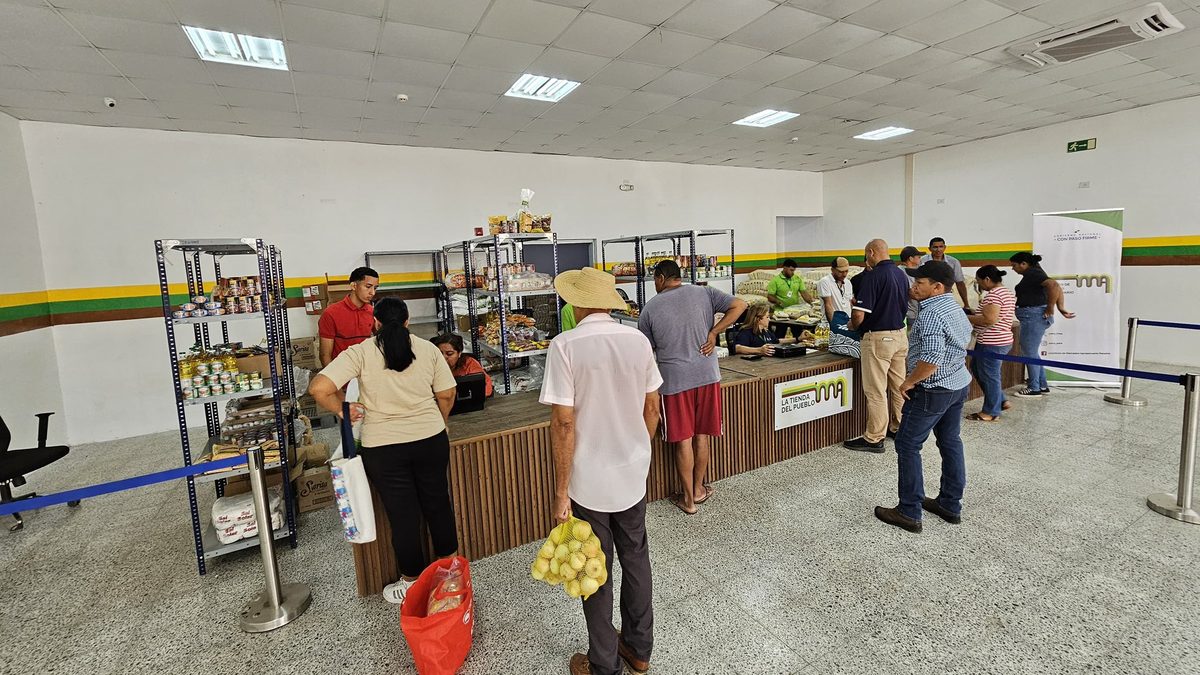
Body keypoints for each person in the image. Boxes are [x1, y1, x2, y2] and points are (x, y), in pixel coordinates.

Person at [540, 267, 662, 675]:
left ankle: (603, 664)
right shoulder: (638, 341)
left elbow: (564, 423)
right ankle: (639, 649)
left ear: (577, 302)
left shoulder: (566, 345)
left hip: (588, 478)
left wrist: (560, 492)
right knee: (636, 557)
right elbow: (652, 409)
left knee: (594, 567)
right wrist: (635, 450)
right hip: (631, 474)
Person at [308, 297, 458, 604]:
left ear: (374, 322)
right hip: (429, 440)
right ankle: (452, 576)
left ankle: (411, 583)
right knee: (438, 503)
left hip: (384, 448)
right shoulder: (428, 349)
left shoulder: (361, 352)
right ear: (407, 321)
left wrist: (342, 410)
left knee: (402, 515)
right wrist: (438, 423)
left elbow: (319, 389)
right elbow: (447, 394)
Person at [638, 260, 746, 515]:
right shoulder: (704, 292)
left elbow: (644, 352)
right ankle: (698, 489)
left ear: (662, 278)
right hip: (707, 376)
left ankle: (687, 501)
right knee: (702, 435)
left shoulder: (650, 309)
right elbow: (740, 305)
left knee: (683, 440)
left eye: (655, 280)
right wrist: (714, 332)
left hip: (674, 381)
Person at [874, 260, 974, 534]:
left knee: (907, 445)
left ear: (937, 287)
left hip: (933, 390)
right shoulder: (954, 308)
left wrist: (908, 382)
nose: (914, 287)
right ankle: (950, 504)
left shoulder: (931, 315)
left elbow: (930, 359)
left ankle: (909, 511)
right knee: (950, 441)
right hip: (957, 384)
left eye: (920, 283)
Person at [845, 239, 910, 453]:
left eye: (867, 255)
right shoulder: (901, 274)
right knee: (899, 387)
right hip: (900, 336)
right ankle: (898, 428)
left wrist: (852, 325)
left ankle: (874, 438)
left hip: (879, 339)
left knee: (875, 390)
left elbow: (859, 314)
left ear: (871, 252)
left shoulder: (873, 277)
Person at [1009, 252, 1076, 398]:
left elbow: (1053, 285)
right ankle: (1042, 384)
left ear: (1024, 264)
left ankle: (1034, 388)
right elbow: (1055, 287)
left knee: (1028, 353)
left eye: (1014, 265)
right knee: (1032, 352)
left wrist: (1051, 307)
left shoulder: (1033, 273)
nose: (1013, 269)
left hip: (1032, 316)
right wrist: (1060, 307)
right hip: (1033, 316)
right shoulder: (1036, 273)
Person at [966, 266, 1016, 421]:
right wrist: (975, 313)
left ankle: (991, 412)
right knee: (978, 369)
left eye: (979, 281)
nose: (978, 284)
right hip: (999, 339)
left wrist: (964, 318)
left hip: (992, 341)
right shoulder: (1005, 292)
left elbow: (990, 319)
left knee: (989, 375)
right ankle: (1001, 400)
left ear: (987, 279)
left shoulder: (994, 295)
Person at [318, 266, 379, 367]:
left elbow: (382, 340)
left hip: (366, 372)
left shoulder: (373, 312)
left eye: (375, 288)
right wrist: (334, 380)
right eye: (368, 286)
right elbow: (325, 355)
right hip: (342, 374)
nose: (372, 292)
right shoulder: (330, 313)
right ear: (353, 286)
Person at [430, 333, 493, 398]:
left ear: (459, 353)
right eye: (440, 354)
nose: (443, 357)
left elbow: (486, 385)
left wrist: (478, 397)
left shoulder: (469, 363)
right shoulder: (430, 365)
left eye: (449, 354)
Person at [766, 258, 814, 340]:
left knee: (798, 333)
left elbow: (804, 293)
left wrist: (812, 303)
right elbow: (770, 296)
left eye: (794, 270)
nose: (792, 273)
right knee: (780, 334)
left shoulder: (797, 279)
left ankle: (798, 349)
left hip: (794, 312)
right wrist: (778, 301)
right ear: (784, 268)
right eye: (791, 270)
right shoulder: (775, 281)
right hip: (781, 313)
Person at [921, 238, 970, 306]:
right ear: (929, 249)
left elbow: (960, 283)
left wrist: (966, 304)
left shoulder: (953, 262)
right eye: (935, 247)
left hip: (945, 297)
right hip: (927, 297)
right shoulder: (922, 261)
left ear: (945, 247)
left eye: (941, 247)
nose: (938, 250)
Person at [817, 257, 853, 322]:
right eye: (841, 272)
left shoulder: (848, 282)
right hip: (834, 322)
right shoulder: (825, 282)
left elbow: (849, 303)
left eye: (846, 271)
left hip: (847, 321)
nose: (844, 274)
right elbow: (828, 305)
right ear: (832, 270)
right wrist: (833, 325)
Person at [899, 245, 923, 326]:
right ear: (910, 258)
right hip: (909, 314)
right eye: (918, 257)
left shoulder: (914, 270)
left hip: (913, 312)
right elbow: (911, 292)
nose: (920, 259)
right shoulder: (902, 272)